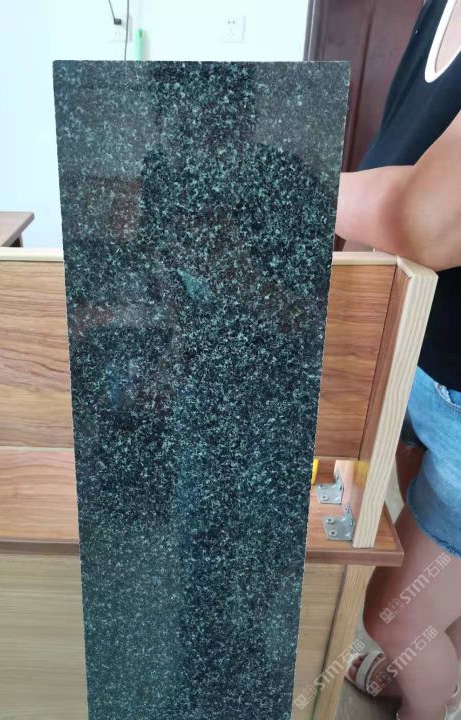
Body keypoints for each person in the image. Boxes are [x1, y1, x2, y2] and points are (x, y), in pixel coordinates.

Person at [335, 1, 461, 719]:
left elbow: (428, 218)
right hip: (424, 360)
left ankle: (430, 705)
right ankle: (434, 665)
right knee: (423, 576)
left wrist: (272, 181)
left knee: (391, 616)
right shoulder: (438, 10)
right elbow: (390, 164)